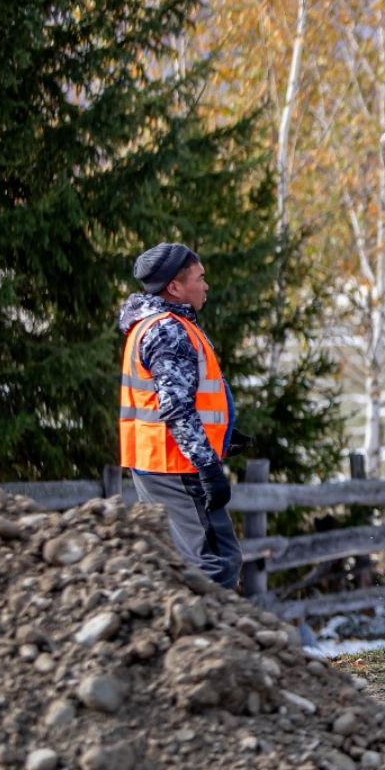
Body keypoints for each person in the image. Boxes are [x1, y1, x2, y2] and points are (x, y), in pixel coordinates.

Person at [118, 243, 243, 589]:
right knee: (215, 563)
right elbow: (175, 407)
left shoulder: (153, 326)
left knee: (186, 560)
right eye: (200, 278)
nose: (206, 286)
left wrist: (225, 433)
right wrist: (207, 465)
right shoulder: (167, 330)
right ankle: (209, 640)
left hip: (159, 461)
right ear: (174, 287)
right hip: (176, 466)